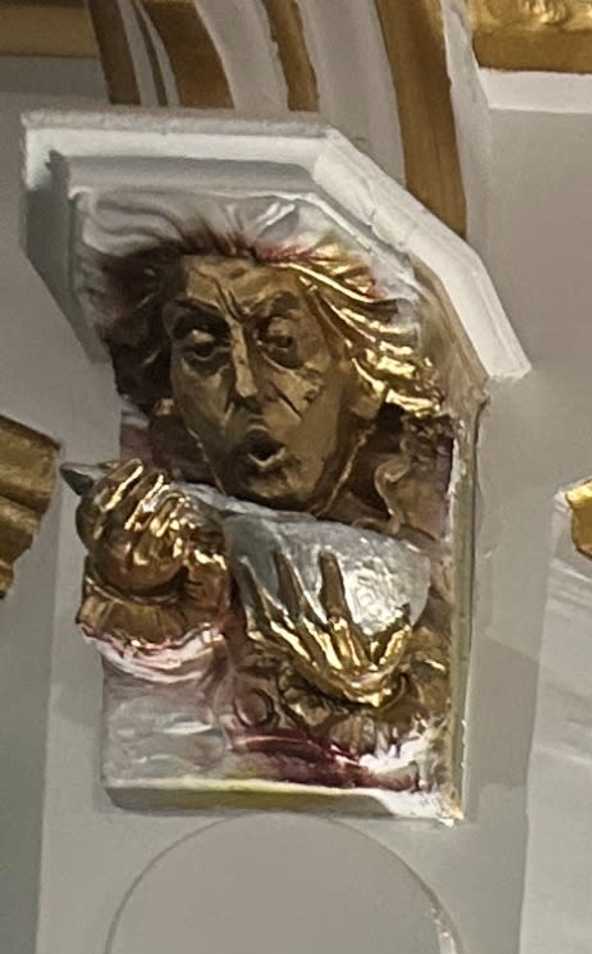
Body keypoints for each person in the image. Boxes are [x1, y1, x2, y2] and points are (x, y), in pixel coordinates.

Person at [72, 222, 457, 790]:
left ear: (363, 374)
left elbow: (410, 725)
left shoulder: (413, 513)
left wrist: (367, 693)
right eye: (202, 351)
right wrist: (140, 596)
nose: (246, 386)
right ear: (170, 394)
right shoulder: (186, 525)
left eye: (281, 342)